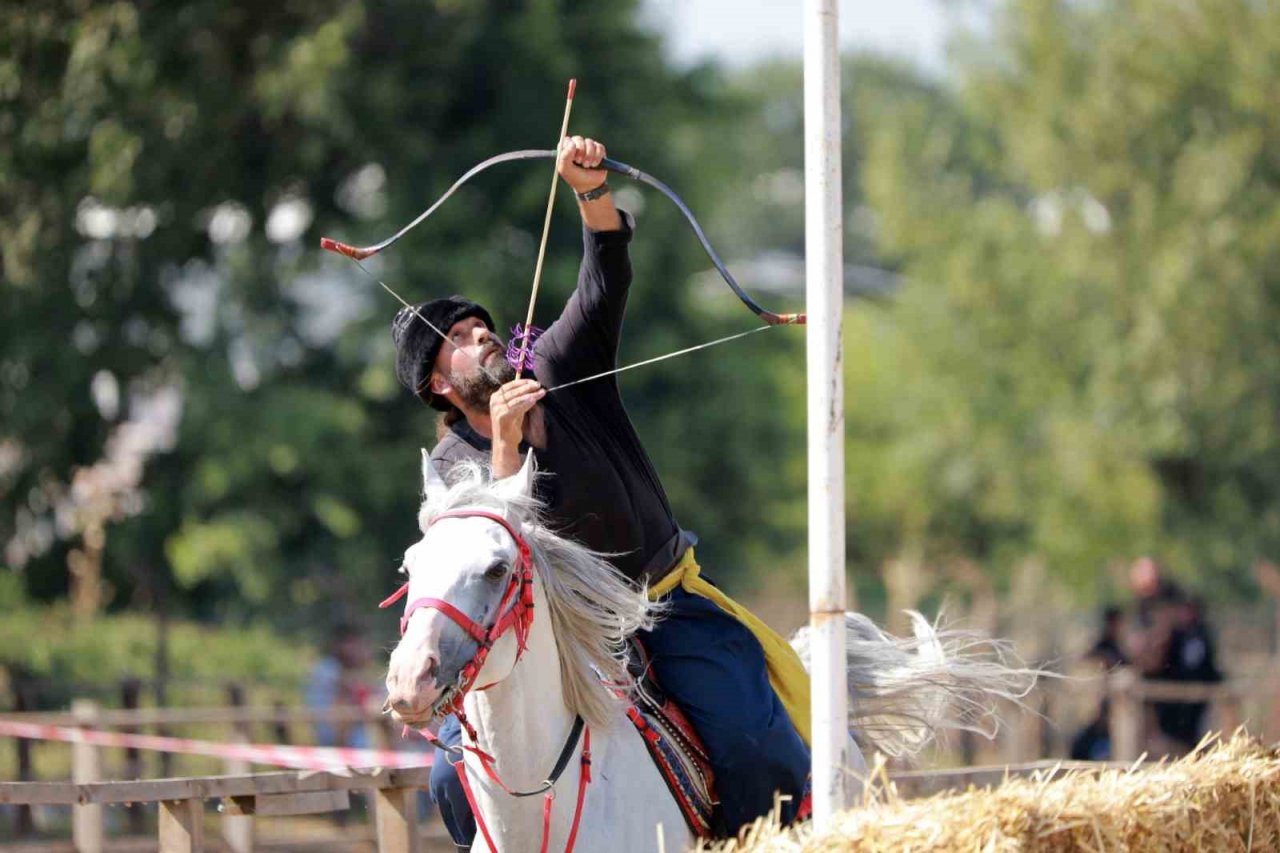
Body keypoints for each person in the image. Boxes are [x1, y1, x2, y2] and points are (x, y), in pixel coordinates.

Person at [392, 136, 811, 847]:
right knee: (445, 781)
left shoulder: (556, 360)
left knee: (750, 738)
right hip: (549, 638)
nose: (482, 333)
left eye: (482, 323)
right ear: (437, 383)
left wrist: (588, 189)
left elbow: (603, 281)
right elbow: (491, 552)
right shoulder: (456, 460)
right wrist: (504, 445)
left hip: (660, 599)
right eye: (459, 337)